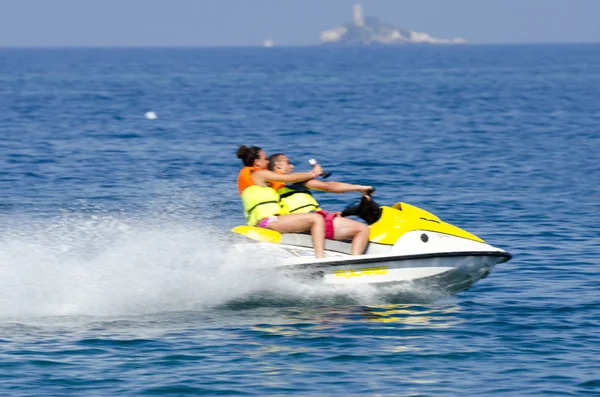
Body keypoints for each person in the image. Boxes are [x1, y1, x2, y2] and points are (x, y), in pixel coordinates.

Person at [268, 153, 373, 255]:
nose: (292, 166)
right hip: (311, 221)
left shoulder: (267, 185)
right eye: (288, 163)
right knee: (362, 229)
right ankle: (354, 267)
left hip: (291, 223)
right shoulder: (293, 181)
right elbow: (329, 186)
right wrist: (360, 188)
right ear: (278, 165)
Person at [236, 145, 326, 258]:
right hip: (268, 221)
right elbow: (290, 178)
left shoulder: (256, 179)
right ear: (257, 162)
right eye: (266, 158)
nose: (268, 161)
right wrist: (314, 173)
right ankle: (320, 258)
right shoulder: (260, 174)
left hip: (265, 221)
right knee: (316, 218)